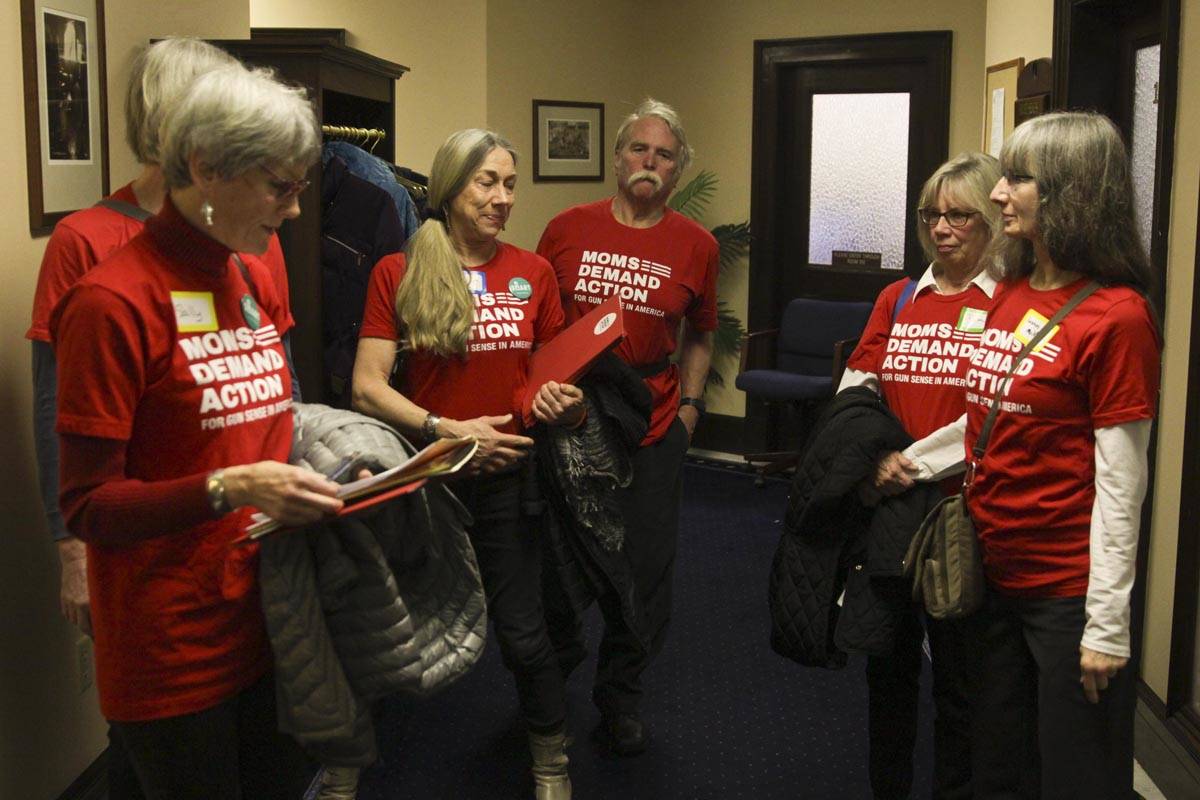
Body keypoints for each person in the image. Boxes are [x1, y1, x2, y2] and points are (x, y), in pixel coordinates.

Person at [26, 36, 301, 800]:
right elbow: (89, 499)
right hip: (171, 643)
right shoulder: (112, 295)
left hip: (262, 611)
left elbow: (278, 410)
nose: (296, 208)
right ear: (205, 165)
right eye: (280, 186)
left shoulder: (249, 266)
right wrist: (231, 485)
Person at [352, 128, 582, 800]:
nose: (501, 198)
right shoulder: (397, 271)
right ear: (451, 189)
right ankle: (345, 764)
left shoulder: (533, 273)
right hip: (429, 479)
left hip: (512, 481)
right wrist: (447, 432)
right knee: (384, 626)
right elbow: (367, 384)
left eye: (510, 184)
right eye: (487, 182)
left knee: (522, 633)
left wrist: (564, 403)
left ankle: (550, 764)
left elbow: (552, 380)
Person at [963, 111, 1160, 799]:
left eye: (1018, 179)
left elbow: (1122, 484)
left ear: (1070, 193)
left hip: (1067, 593)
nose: (997, 194)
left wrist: (1106, 626)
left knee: (1079, 776)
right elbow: (987, 419)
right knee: (998, 767)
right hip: (994, 577)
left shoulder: (1118, 317)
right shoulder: (1011, 292)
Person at [537, 98, 718, 754]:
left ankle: (620, 694)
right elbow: (540, 324)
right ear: (617, 159)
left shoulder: (697, 246)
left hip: (654, 417)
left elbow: (701, 333)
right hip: (575, 419)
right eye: (639, 150)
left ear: (677, 171)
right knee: (565, 560)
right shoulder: (564, 228)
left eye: (664, 155)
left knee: (644, 564)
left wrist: (692, 409)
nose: (650, 162)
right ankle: (550, 688)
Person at [838, 152, 1002, 799]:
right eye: (933, 213)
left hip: (962, 517)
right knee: (888, 675)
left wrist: (915, 463)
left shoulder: (1007, 304)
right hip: (891, 511)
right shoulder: (900, 297)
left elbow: (993, 415)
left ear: (990, 219)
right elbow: (857, 388)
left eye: (959, 214)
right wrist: (873, 458)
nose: (942, 227)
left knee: (960, 682)